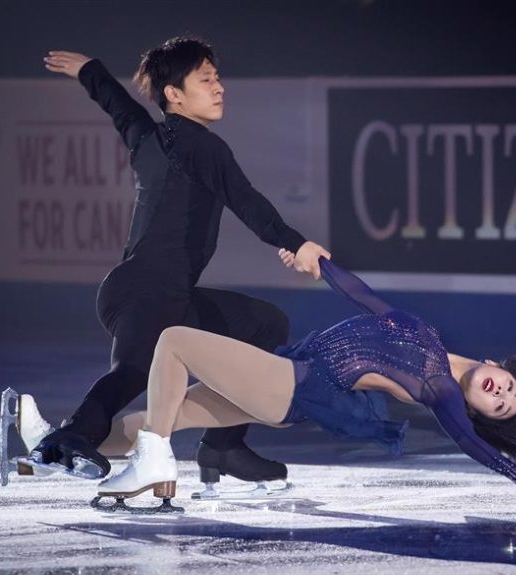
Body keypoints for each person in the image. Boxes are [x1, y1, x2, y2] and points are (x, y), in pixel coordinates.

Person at [28, 36, 331, 485]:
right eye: (206, 80)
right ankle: (66, 440)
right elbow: (246, 202)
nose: (219, 87)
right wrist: (296, 242)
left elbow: (119, 107)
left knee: (263, 325)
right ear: (174, 94)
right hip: (146, 289)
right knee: (132, 371)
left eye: (218, 78)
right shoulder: (204, 148)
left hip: (163, 293)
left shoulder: (147, 136)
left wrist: (91, 70)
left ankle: (222, 448)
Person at [94, 255, 516, 510]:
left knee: (177, 341)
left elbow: (466, 442)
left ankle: (152, 467)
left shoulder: (440, 390)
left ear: (484, 416)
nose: (501, 395)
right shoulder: (430, 337)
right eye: (510, 388)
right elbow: (367, 298)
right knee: (155, 419)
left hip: (289, 384)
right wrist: (319, 262)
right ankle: (56, 448)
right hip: (288, 379)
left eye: (501, 408)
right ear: (498, 365)